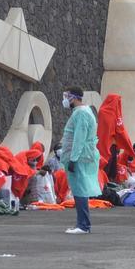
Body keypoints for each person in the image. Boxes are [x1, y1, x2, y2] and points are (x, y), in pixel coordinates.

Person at [60, 87, 99, 235]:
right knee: (78, 190)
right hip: (80, 156)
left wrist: (73, 159)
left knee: (80, 190)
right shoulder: (82, 112)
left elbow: (79, 138)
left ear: (73, 98)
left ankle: (83, 225)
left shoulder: (81, 113)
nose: (64, 100)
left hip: (79, 157)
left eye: (66, 96)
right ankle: (82, 223)